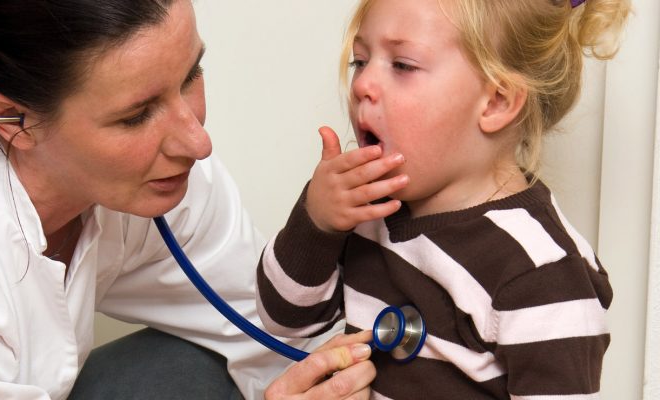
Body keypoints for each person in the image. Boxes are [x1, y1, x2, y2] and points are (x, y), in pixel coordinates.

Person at [0, 1, 377, 399]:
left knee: (196, 361)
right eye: (136, 115)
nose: (197, 142)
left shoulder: (165, 179)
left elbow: (266, 331)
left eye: (191, 75)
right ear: (14, 119)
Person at [256, 0, 631, 398]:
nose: (363, 85)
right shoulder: (368, 209)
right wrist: (317, 223)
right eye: (360, 61)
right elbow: (283, 320)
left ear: (497, 101)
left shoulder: (541, 275)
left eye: (402, 65)